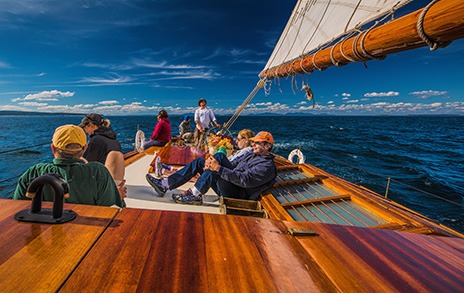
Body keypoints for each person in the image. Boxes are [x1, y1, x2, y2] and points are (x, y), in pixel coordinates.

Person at [146, 131, 277, 205]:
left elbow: (244, 180)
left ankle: (194, 195)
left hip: (236, 194)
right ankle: (165, 184)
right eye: (253, 142)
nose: (253, 144)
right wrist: (212, 164)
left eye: (257, 143)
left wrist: (218, 168)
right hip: (230, 183)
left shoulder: (267, 166)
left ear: (267, 146)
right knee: (201, 161)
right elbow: (234, 167)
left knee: (219, 158)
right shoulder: (252, 156)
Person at [13, 124, 122, 207]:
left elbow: (16, 207)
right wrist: (117, 195)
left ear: (53, 148)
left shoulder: (34, 173)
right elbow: (111, 207)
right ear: (85, 148)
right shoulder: (98, 171)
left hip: (44, 234)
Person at [79, 113, 126, 200]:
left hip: (102, 184)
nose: (84, 130)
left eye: (85, 127)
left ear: (92, 126)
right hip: (114, 181)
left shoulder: (96, 140)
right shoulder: (114, 140)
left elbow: (86, 164)